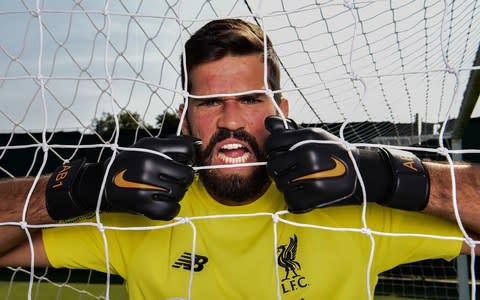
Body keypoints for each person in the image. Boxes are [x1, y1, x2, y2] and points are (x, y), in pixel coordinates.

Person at [0, 18, 479, 299]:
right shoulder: (135, 220)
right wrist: (77, 185)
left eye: (250, 98)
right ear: (187, 119)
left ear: (281, 112)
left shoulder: (357, 213)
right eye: (210, 103)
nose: (229, 119)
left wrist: (387, 174)